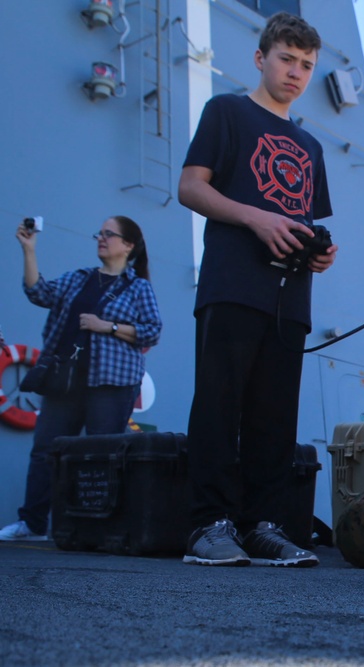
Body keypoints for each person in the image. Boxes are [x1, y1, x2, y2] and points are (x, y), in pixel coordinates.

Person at [177, 12, 337, 567]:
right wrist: (255, 219)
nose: (296, 72)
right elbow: (191, 187)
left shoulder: (310, 147)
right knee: (220, 407)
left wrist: (321, 254)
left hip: (289, 299)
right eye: (287, 59)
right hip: (231, 283)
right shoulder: (226, 112)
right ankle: (209, 526)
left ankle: (265, 525)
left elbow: (303, 219)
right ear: (261, 58)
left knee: (275, 415)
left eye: (306, 65)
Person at [0, 215, 161, 541]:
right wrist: (29, 250)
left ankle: (97, 525)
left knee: (102, 455)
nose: (101, 238)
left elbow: (152, 331)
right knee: (45, 450)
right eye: (99, 233)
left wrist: (108, 326)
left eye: (109, 234)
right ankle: (32, 524)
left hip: (112, 382)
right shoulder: (79, 278)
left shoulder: (138, 287)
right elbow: (39, 292)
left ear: (127, 245)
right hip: (65, 379)